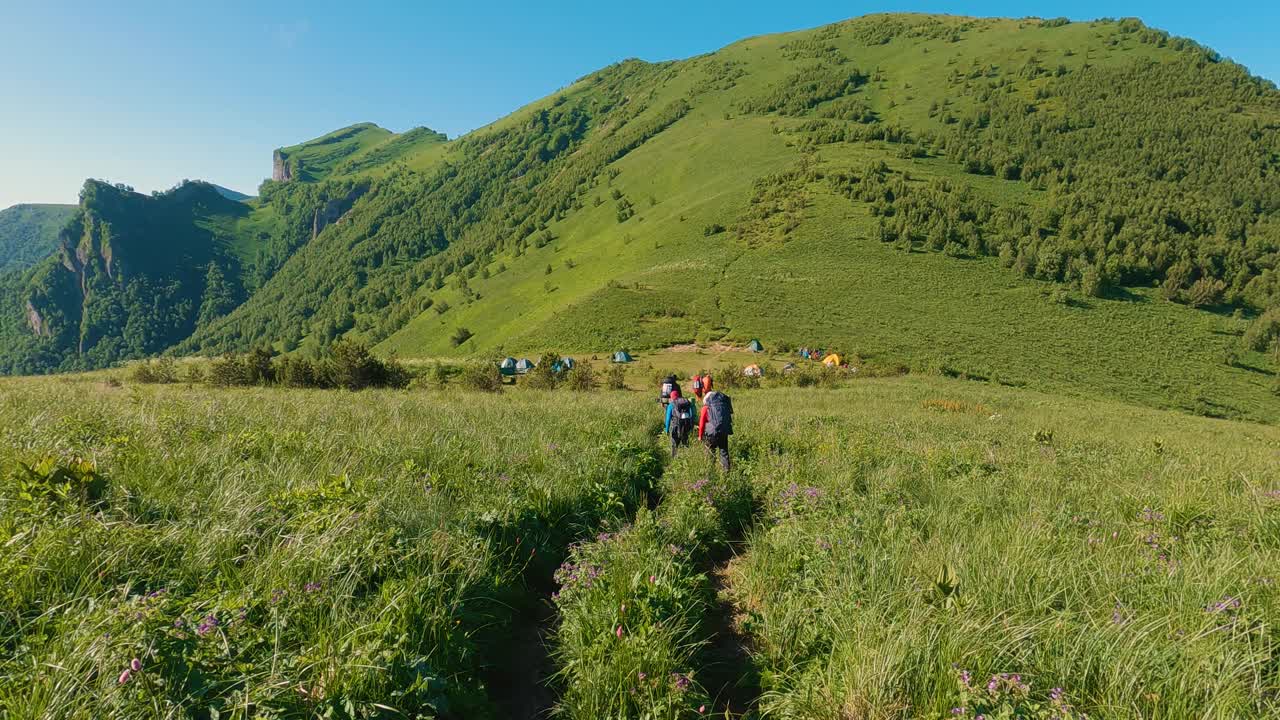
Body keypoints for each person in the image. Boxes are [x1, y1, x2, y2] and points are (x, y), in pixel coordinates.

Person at [698, 384, 733, 472]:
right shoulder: (723, 405)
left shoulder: (706, 407)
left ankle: (710, 472)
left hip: (711, 434)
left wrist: (700, 436)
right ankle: (726, 473)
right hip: (724, 431)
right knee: (724, 452)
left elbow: (702, 423)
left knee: (710, 452)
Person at [664, 387, 695, 458]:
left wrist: (667, 430)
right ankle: (687, 458)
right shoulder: (686, 403)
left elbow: (668, 419)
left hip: (675, 427)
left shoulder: (671, 405)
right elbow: (691, 415)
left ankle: (674, 458)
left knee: (674, 444)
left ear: (671, 397)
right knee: (685, 443)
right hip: (686, 426)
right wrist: (691, 427)